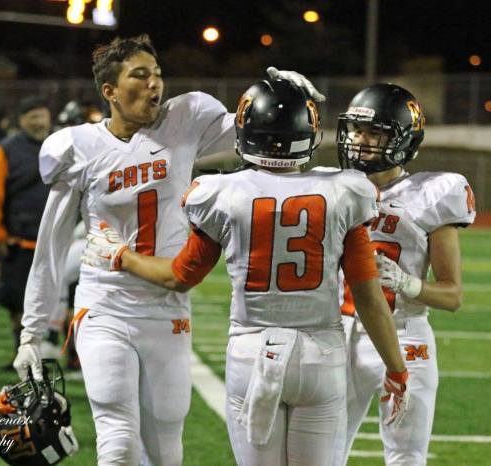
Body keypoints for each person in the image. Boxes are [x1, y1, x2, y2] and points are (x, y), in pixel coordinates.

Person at [12, 34, 325, 466]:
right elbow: (51, 246)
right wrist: (31, 333)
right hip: (104, 305)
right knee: (118, 442)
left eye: (157, 74)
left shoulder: (184, 120)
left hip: (167, 309)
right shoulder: (79, 147)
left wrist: (288, 97)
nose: (154, 83)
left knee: (165, 449)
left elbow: (258, 129)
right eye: (139, 75)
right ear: (110, 91)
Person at [82, 78, 410, 466]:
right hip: (320, 355)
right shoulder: (343, 191)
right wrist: (397, 369)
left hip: (252, 352)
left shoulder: (222, 193)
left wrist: (121, 256)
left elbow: (180, 276)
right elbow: (369, 297)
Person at [336, 83, 476, 465]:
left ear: (402, 139)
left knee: (406, 457)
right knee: (320, 454)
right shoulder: (332, 187)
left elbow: (453, 295)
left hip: (405, 336)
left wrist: (407, 283)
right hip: (338, 333)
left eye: (375, 132)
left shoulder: (431, 194)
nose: (360, 140)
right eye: (356, 130)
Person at [0, 96, 52, 367]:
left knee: (61, 298)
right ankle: (23, 352)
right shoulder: (7, 150)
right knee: (19, 301)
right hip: (20, 240)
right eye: (33, 116)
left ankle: (63, 354)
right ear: (21, 120)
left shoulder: (60, 144)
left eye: (42, 115)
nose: (39, 121)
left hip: (57, 240)